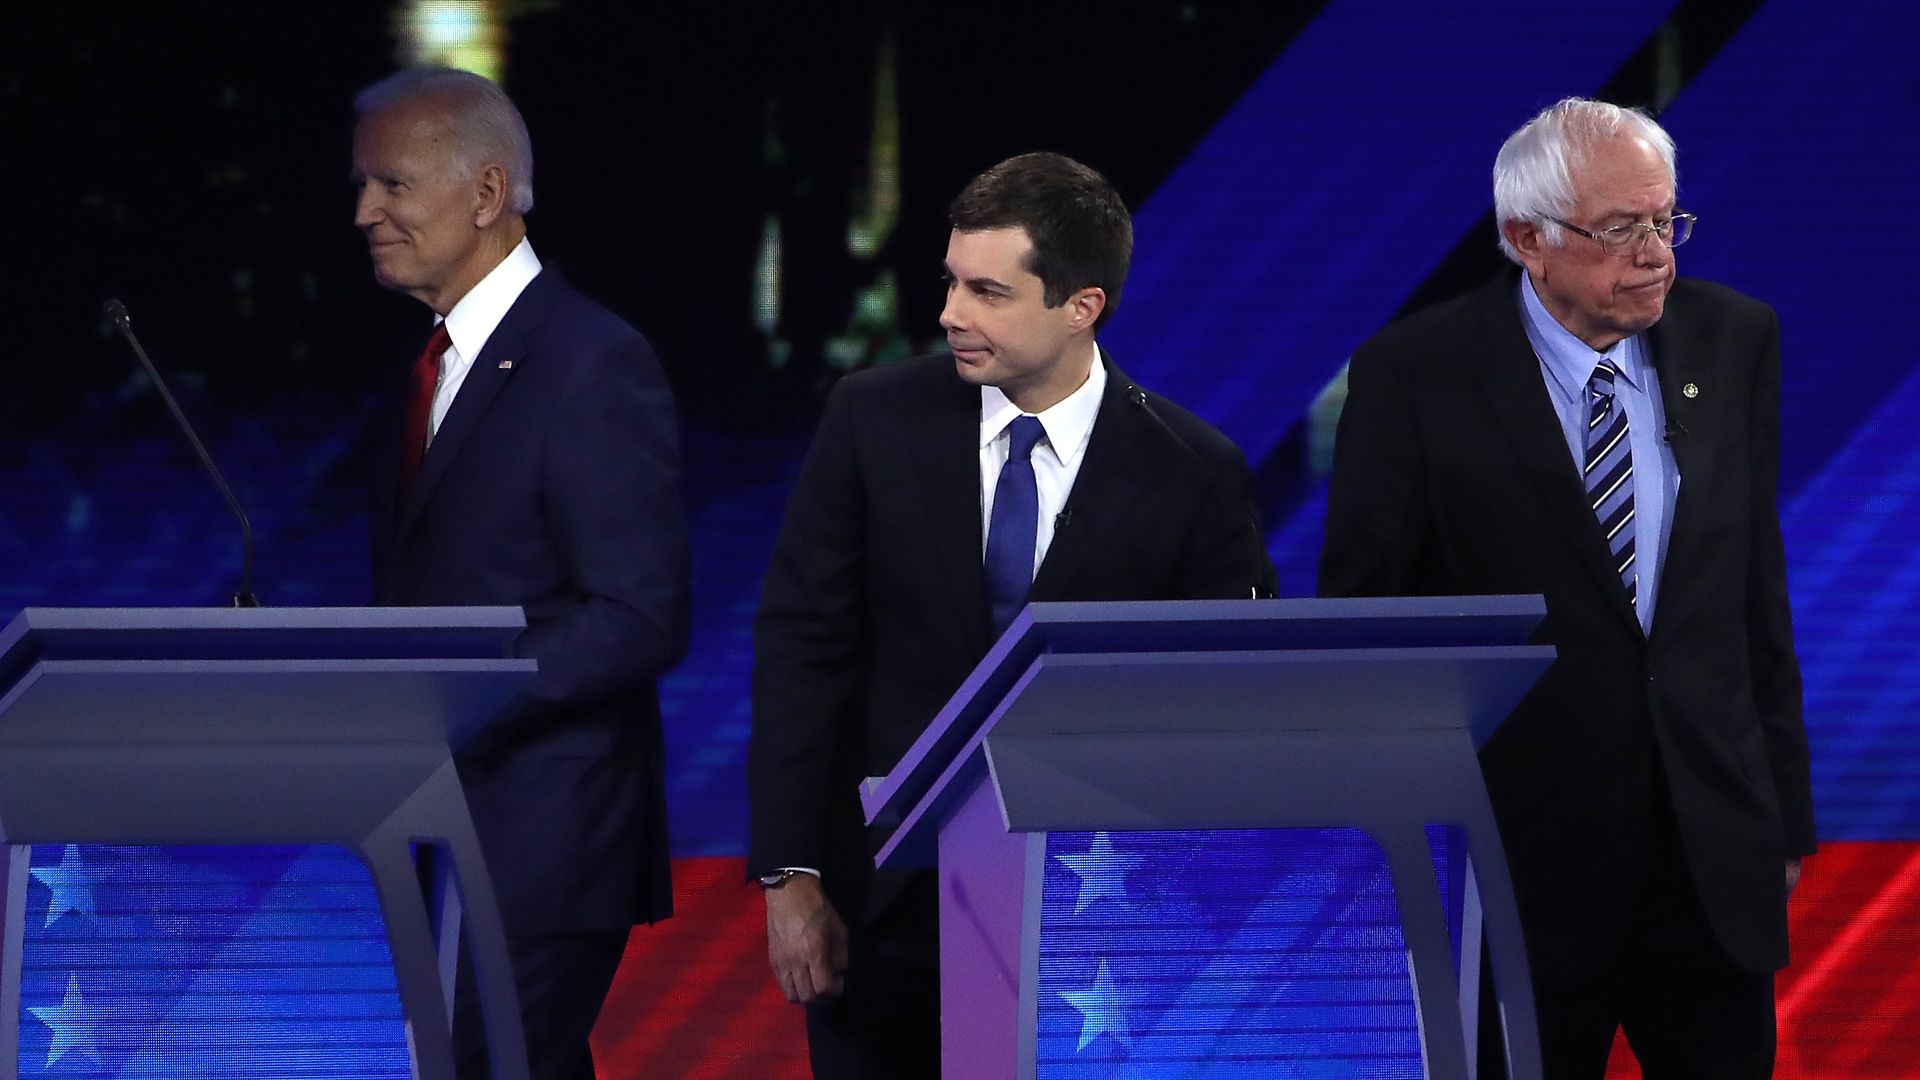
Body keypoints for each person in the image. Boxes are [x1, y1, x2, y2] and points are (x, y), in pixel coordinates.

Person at [748, 151, 1278, 1076]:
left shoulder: (1191, 470)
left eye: (988, 292)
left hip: (1098, 928)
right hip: (882, 910)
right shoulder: (872, 421)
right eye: (951, 283)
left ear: (1082, 307)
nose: (951, 313)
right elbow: (802, 650)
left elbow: (1226, 709)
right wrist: (791, 877)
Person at [1320, 98, 1814, 1077]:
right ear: (1526, 239)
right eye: (1620, 229)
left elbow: (1754, 592)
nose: (1656, 254)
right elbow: (1365, 627)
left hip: (1708, 856)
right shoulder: (1414, 375)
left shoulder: (1734, 340)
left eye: (1666, 220)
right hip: (1511, 869)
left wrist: (1784, 816)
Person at [351, 67, 690, 1080]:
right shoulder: (434, 366)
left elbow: (637, 613)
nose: (365, 211)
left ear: (486, 195)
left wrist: (447, 703)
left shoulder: (589, 360)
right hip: (451, 831)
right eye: (362, 185)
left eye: (391, 185)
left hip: (545, 836)